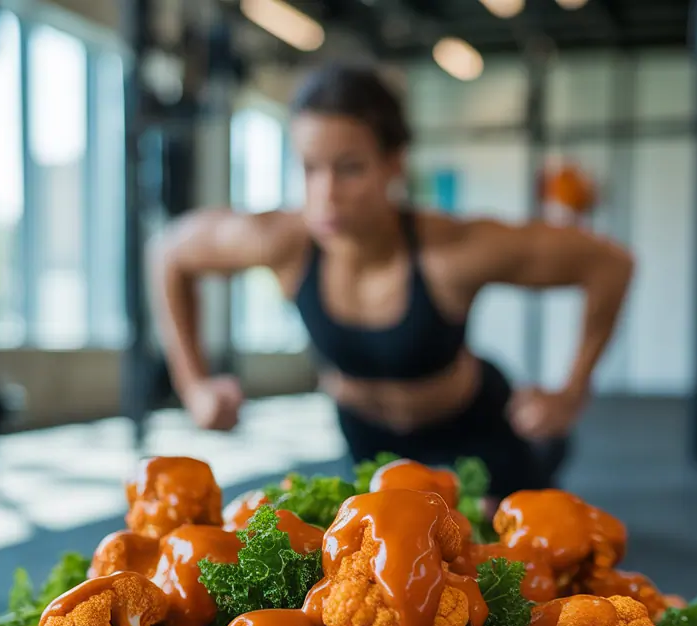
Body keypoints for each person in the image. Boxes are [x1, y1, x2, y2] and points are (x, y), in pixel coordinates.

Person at [148, 63, 635, 497]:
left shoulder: (452, 249)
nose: (326, 194)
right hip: (369, 438)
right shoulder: (285, 243)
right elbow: (169, 253)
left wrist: (572, 390)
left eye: (351, 169)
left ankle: (549, 449)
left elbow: (609, 265)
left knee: (508, 564)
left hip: (472, 434)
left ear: (394, 164)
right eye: (310, 168)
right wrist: (193, 386)